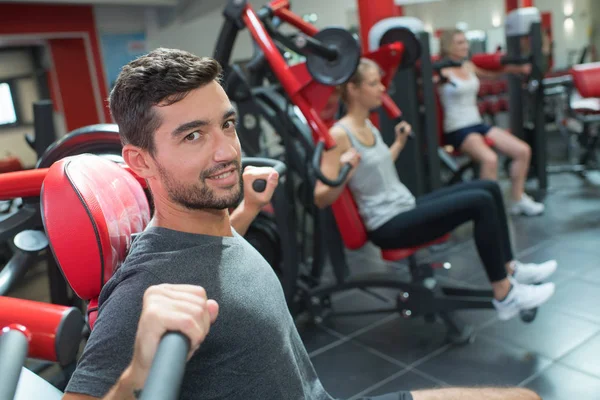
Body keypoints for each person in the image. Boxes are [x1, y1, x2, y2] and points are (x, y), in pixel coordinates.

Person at [63, 48, 543, 400]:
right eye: (193, 136)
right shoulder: (143, 288)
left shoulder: (207, 226)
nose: (227, 150)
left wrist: (246, 210)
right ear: (140, 162)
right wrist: (136, 376)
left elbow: (212, 256)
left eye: (226, 124)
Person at [314, 57, 557, 323]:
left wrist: (397, 143)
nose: (382, 89)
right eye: (373, 84)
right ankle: (505, 295)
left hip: (403, 207)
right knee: (480, 202)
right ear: (353, 89)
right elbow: (321, 197)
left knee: (488, 187)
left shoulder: (368, 124)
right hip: (388, 225)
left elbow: (375, 168)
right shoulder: (339, 135)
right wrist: (344, 170)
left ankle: (510, 269)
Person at [437, 29, 545, 216]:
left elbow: (491, 74)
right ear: (448, 46)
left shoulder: (468, 66)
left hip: (477, 123)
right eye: (460, 43)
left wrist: (518, 69)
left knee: (522, 151)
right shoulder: (440, 72)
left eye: (465, 42)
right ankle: (489, 212)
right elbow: (424, 84)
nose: (465, 46)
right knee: (490, 159)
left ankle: (517, 199)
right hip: (457, 128)